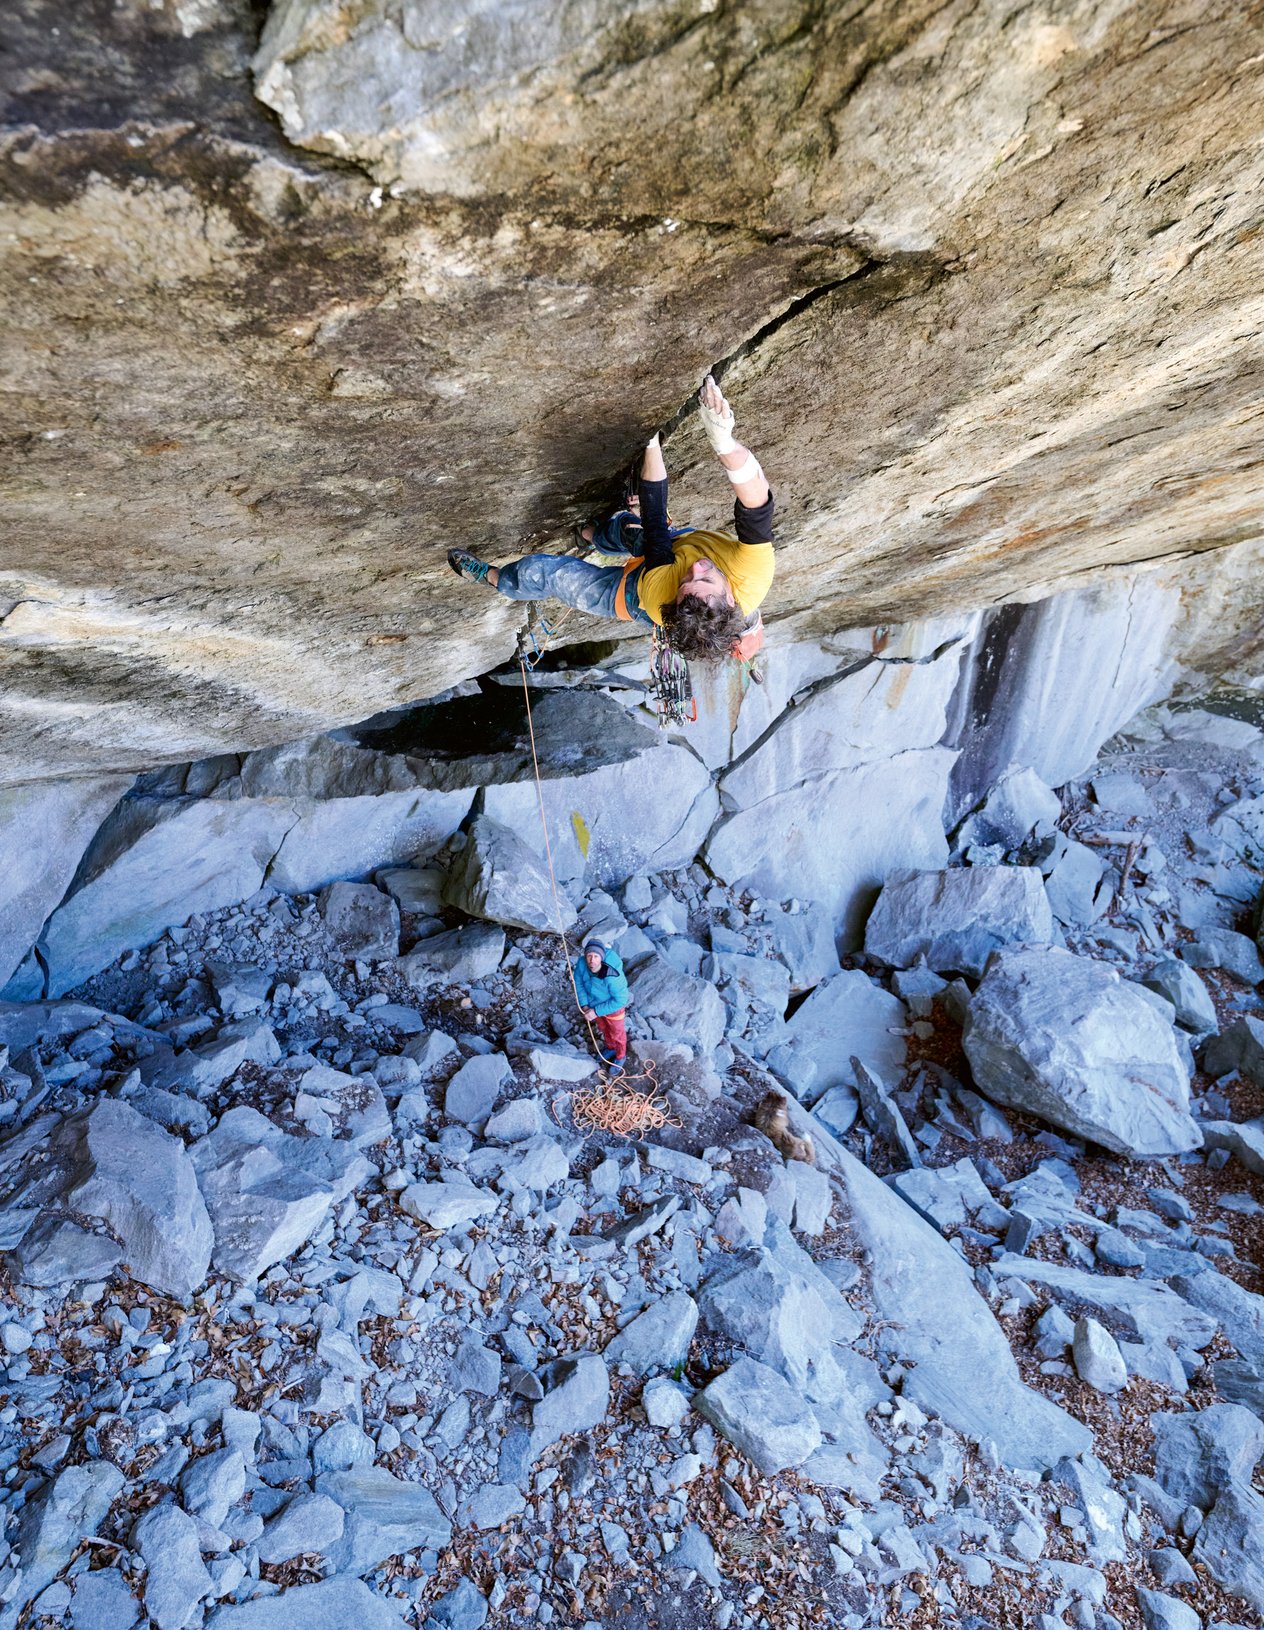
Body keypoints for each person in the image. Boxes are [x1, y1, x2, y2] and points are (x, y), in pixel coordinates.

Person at [448, 375, 774, 662]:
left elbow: (657, 527)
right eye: (704, 580)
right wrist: (722, 444)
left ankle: (493, 578)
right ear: (731, 597)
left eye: (687, 583)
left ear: (676, 601)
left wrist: (650, 445)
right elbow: (756, 504)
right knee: (629, 529)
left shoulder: (661, 597)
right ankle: (592, 535)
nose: (695, 570)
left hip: (634, 596)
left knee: (545, 574)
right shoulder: (751, 575)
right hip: (675, 548)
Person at [572, 940, 630, 1065]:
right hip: (593, 1004)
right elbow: (579, 983)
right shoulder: (582, 964)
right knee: (604, 1028)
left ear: (601, 958)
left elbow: (621, 999)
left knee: (617, 1033)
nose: (592, 960)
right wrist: (585, 1005)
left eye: (596, 956)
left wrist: (596, 1011)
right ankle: (610, 1048)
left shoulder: (612, 975)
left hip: (613, 1007)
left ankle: (620, 1056)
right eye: (589, 956)